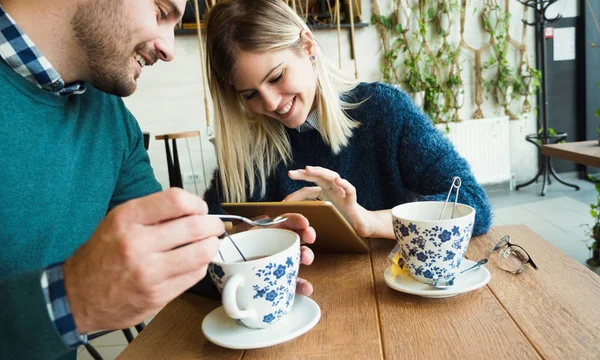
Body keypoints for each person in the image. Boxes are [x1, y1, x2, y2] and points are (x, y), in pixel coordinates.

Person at [0, 1, 315, 359]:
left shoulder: (111, 118)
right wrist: (72, 300)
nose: (168, 49)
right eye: (161, 10)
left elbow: (170, 251)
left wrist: (243, 256)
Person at [203, 0, 492, 239]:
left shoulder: (384, 110)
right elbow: (200, 248)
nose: (272, 104)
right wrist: (261, 232)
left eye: (277, 77)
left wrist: (368, 221)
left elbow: (473, 206)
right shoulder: (249, 146)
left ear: (308, 47)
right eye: (250, 94)